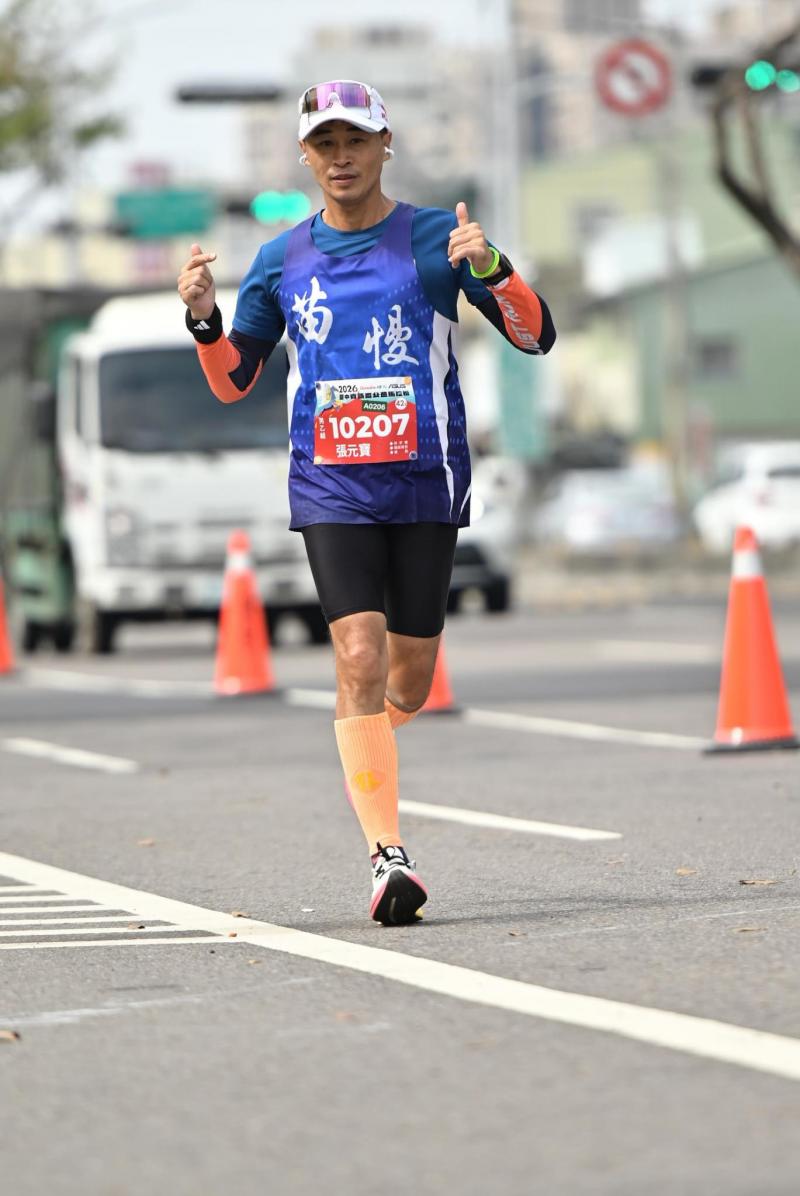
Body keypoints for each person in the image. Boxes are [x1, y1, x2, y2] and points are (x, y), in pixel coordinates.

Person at [178, 79, 556, 926]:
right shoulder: (279, 260)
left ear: (386, 144)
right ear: (304, 157)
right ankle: (387, 854)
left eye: (355, 141)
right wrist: (205, 320)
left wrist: (491, 268)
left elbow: (536, 335)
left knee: (406, 681)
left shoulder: (434, 239)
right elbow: (234, 380)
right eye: (325, 144)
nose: (340, 157)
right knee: (357, 655)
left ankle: (363, 738)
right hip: (330, 481)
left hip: (425, 477)